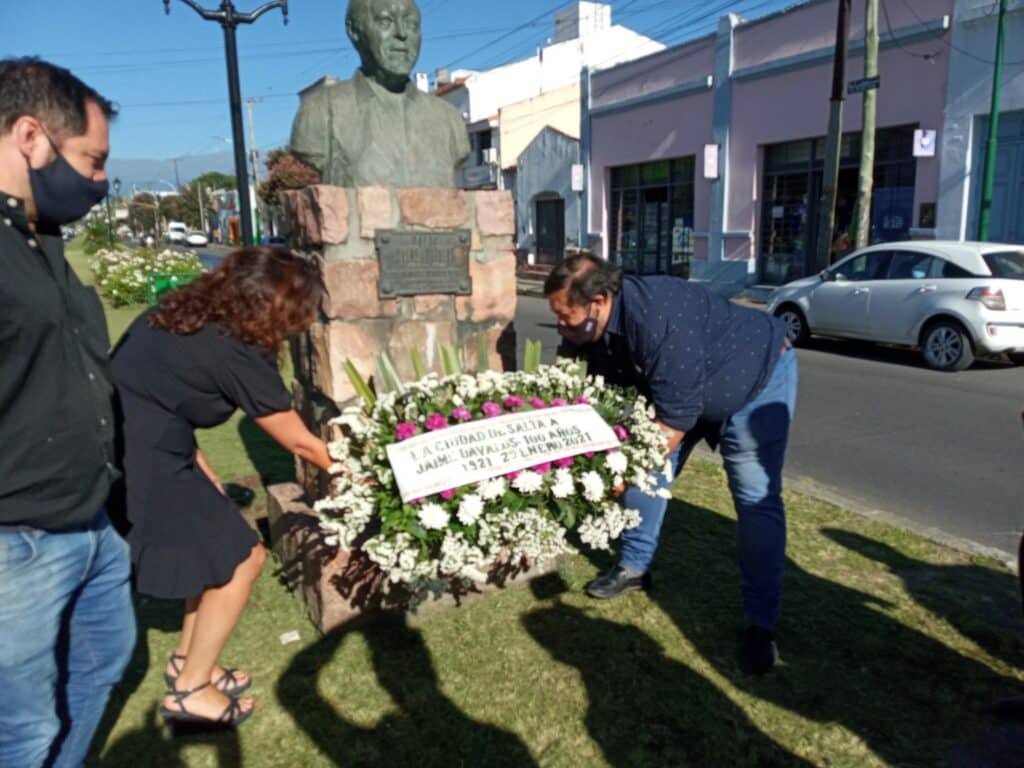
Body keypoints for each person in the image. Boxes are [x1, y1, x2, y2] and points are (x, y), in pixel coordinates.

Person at [110, 247, 335, 728]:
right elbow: (298, 440)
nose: (304, 323)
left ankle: (190, 662)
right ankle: (190, 690)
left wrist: (202, 471)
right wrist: (364, 469)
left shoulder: (185, 315)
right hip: (142, 460)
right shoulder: (236, 347)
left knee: (210, 558)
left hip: (146, 445)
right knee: (242, 560)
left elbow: (155, 392)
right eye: (302, 313)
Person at [545, 254, 798, 675]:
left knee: (755, 499)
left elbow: (676, 419)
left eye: (566, 316)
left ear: (600, 300)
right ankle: (633, 566)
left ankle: (761, 624)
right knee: (647, 474)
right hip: (683, 387)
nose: (560, 326)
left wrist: (618, 475)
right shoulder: (591, 329)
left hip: (755, 377)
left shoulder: (660, 316)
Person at [0, 58, 136, 766]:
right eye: (91, 160)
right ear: (31, 136)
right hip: (17, 542)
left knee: (103, 663)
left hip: (89, 524)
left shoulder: (40, 238)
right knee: (20, 728)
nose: (99, 182)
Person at [289, 0, 470, 187]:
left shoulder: (449, 121)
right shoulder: (321, 111)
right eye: (385, 22)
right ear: (354, 31)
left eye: (412, 24)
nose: (401, 33)